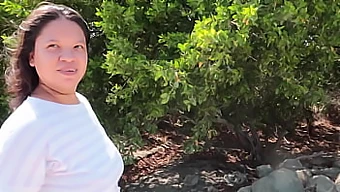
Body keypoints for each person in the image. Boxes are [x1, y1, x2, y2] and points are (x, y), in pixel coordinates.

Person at [0, 2, 124, 192]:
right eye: (53, 46)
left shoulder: (80, 103)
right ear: (31, 57)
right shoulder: (27, 128)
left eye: (77, 46)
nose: (68, 57)